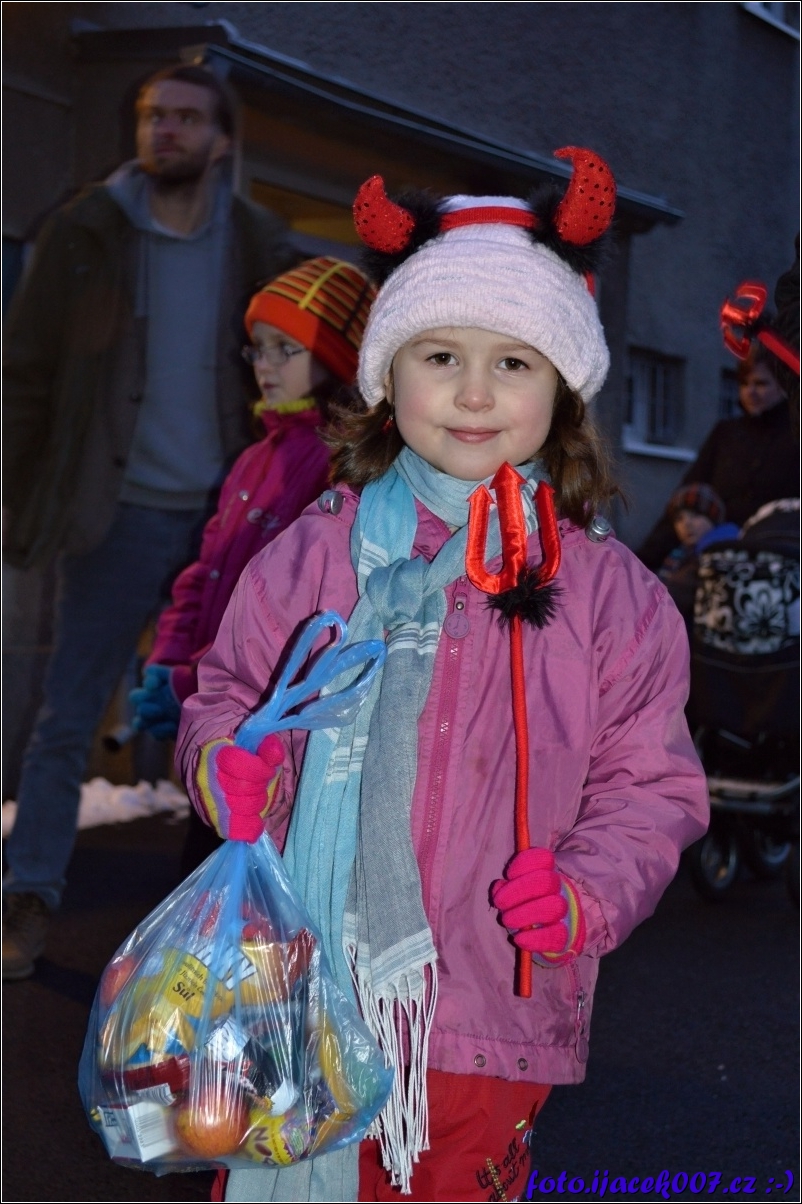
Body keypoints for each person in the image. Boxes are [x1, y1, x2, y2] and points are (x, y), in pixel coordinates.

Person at [176, 154, 709, 1202]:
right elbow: (229, 693)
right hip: (300, 995)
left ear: (562, 389)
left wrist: (586, 891)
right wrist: (227, 762)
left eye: (513, 362)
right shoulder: (311, 555)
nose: (472, 392)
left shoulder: (613, 597)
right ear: (389, 377)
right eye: (440, 355)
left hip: (491, 1011)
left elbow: (650, 786)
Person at [1, 62, 296, 981]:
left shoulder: (256, 242)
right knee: (67, 716)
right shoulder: (85, 231)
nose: (165, 129)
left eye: (185, 117)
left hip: (229, 520)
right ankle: (27, 898)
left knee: (244, 717)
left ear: (222, 140)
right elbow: (24, 372)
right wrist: (22, 493)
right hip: (113, 516)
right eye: (152, 115)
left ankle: (238, 917)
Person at [130, 255, 374, 872]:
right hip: (217, 714)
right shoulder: (255, 459)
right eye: (257, 349)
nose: (263, 365)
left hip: (272, 741)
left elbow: (298, 616)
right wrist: (168, 662)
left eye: (284, 349)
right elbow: (204, 571)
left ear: (338, 359)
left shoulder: (336, 465)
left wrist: (191, 682)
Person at [638, 343, 798, 571]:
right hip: (721, 558)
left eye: (761, 383)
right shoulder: (726, 434)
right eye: (744, 384)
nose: (750, 392)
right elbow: (686, 499)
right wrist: (641, 563)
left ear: (782, 386)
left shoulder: (795, 437)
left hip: (779, 563)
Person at [657, 482, 739, 627]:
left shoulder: (717, 554)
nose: (686, 524)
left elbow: (673, 596)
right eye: (679, 519)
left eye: (695, 515)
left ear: (713, 519)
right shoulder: (679, 555)